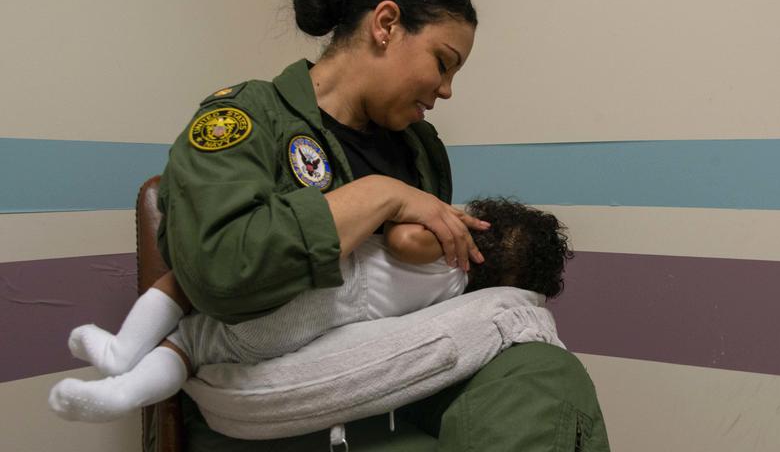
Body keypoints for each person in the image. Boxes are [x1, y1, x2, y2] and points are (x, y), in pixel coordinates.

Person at [57, 0, 610, 449]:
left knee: (547, 374)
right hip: (271, 401)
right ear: (386, 24)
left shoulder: (421, 150)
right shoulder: (248, 119)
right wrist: (378, 196)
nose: (446, 89)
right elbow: (218, 270)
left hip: (386, 393)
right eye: (443, 62)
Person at [48, 198, 572, 422]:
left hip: (307, 284)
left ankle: (121, 353)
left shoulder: (441, 252)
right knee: (192, 347)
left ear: (481, 229)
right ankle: (117, 395)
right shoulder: (458, 296)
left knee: (186, 281)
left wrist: (427, 210)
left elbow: (402, 235)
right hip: (307, 328)